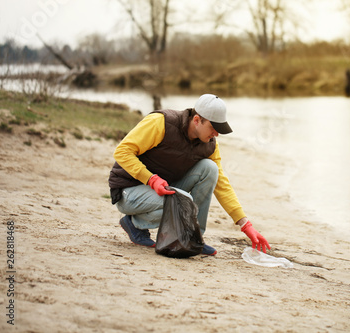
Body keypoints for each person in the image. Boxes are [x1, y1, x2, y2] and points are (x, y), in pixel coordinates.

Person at [108, 94, 270, 255]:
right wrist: (150, 179)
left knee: (210, 168)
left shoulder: (209, 144)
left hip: (162, 189)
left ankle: (193, 237)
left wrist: (245, 224)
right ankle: (134, 223)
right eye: (213, 128)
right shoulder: (162, 122)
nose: (216, 134)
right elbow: (122, 151)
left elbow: (221, 183)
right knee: (185, 203)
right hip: (128, 191)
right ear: (197, 120)